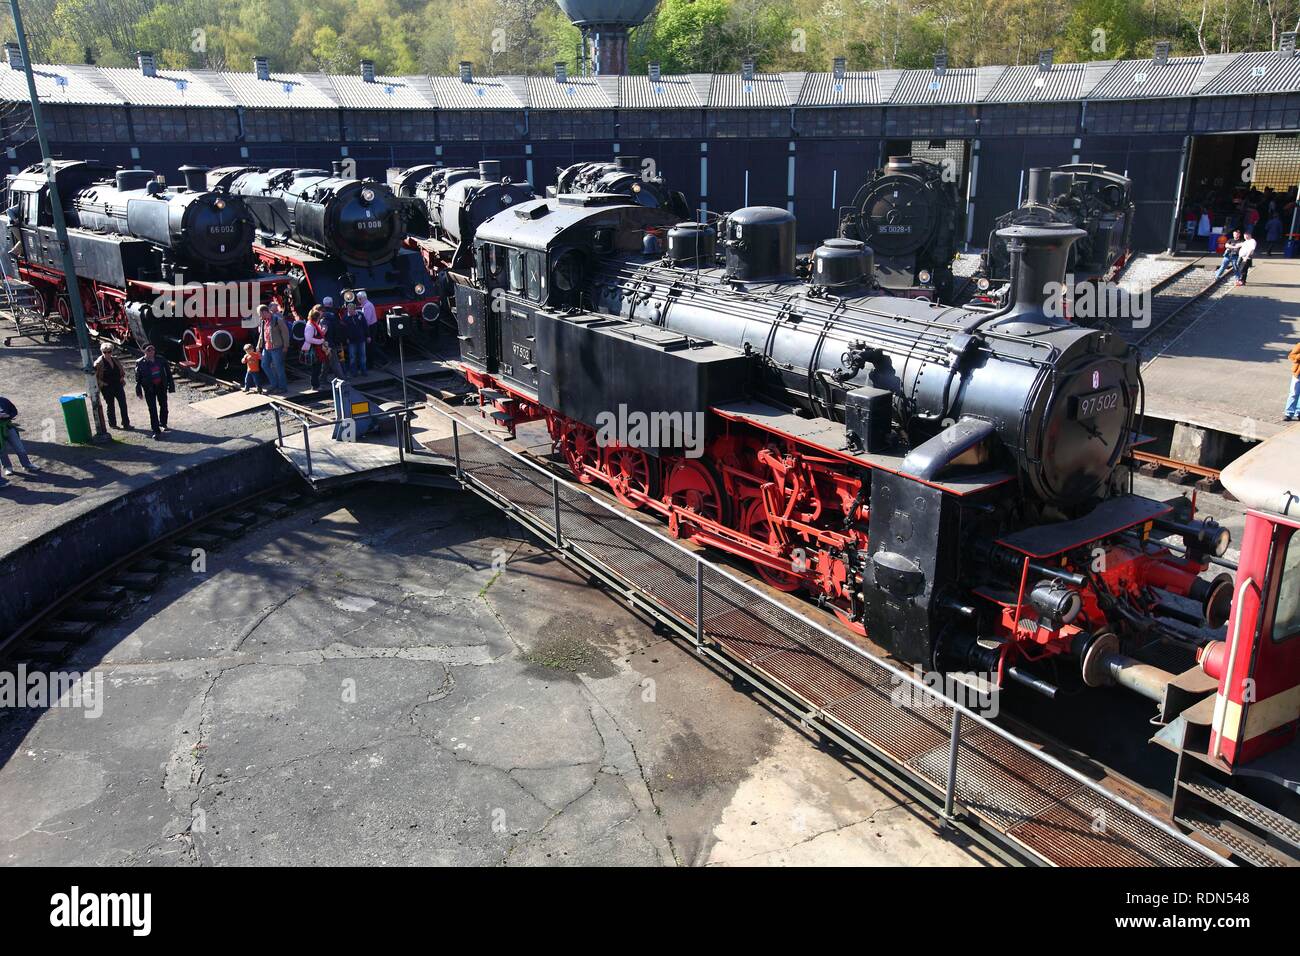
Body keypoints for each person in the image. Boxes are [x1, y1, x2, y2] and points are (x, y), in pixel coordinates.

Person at [134, 344, 175, 439]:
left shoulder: (161, 359)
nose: (152, 352)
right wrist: (139, 391)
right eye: (149, 350)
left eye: (153, 350)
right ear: (144, 351)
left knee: (164, 406)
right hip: (149, 388)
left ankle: (163, 423)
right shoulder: (140, 362)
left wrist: (171, 386)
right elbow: (138, 378)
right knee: (152, 410)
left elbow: (168, 373)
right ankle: (156, 430)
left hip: (161, 386)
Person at [0, 395, 38, 482]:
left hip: (8, 426)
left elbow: (14, 411)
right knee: (2, 450)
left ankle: (27, 464)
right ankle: (7, 468)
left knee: (19, 446)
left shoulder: (4, 400)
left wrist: (8, 415)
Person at [94, 342, 131, 430]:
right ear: (102, 352)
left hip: (118, 385)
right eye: (104, 352)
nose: (107, 354)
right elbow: (94, 377)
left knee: (123, 405)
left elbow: (121, 370)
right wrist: (103, 384)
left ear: (112, 351)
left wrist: (122, 377)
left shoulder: (115, 359)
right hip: (107, 387)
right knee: (110, 405)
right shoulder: (98, 363)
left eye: (109, 351)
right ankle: (113, 424)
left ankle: (126, 423)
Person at [255, 304, 290, 393]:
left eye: (260, 314)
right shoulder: (263, 321)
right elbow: (261, 335)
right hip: (267, 348)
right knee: (264, 365)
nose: (259, 317)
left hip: (277, 347)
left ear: (264, 312)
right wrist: (258, 346)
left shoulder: (278, 320)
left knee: (279, 368)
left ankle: (282, 387)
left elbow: (285, 333)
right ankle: (274, 384)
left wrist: (286, 346)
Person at [320, 299, 346, 381]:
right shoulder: (335, 316)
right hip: (333, 342)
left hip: (327, 344)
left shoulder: (323, 320)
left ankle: (340, 378)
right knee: (330, 362)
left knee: (331, 362)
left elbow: (323, 332)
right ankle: (324, 378)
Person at [356, 290, 384, 365]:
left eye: (358, 299)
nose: (358, 300)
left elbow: (367, 321)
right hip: (372, 326)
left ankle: (382, 359)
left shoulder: (367, 306)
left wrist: (363, 330)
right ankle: (373, 361)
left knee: (371, 345)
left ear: (361, 299)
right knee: (371, 345)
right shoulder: (367, 305)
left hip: (370, 327)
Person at [343, 302, 368, 377]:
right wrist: (346, 338)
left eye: (351, 311)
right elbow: (343, 330)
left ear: (354, 309)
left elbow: (365, 326)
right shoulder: (345, 318)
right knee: (352, 357)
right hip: (351, 340)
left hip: (361, 339)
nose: (349, 312)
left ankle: (364, 371)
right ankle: (354, 372)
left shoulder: (360, 315)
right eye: (348, 310)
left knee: (362, 356)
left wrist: (368, 336)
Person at [1287, 340, 1300, 422]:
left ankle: (1298, 413)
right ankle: (1288, 413)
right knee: (1294, 393)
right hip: (1298, 373)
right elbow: (1291, 356)